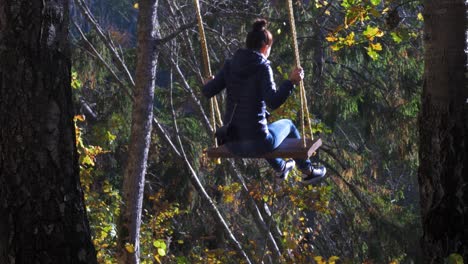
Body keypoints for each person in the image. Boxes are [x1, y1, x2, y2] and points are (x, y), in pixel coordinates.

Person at [202, 19, 326, 185]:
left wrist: (209, 83)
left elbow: (208, 92)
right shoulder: (262, 66)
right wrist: (291, 82)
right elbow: (273, 101)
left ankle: (281, 168)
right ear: (265, 47)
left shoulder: (230, 66)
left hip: (232, 143)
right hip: (258, 143)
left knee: (262, 129)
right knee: (286, 125)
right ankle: (307, 171)